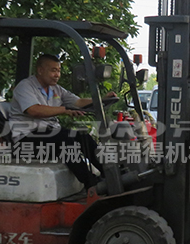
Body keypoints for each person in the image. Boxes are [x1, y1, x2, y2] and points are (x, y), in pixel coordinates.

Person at [9, 54, 116, 189]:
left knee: (83, 136)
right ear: (40, 70)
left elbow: (78, 102)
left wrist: (102, 100)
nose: (57, 75)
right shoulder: (25, 87)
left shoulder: (56, 89)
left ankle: (111, 174)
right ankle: (92, 184)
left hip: (49, 135)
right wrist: (64, 110)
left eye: (59, 70)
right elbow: (34, 110)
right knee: (65, 141)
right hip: (26, 140)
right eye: (53, 70)